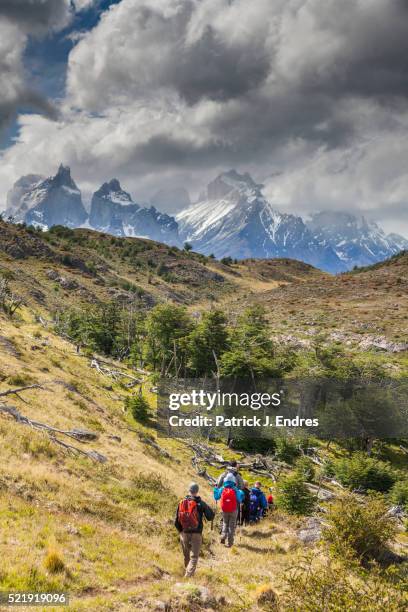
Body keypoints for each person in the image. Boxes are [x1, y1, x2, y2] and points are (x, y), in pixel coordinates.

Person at [175, 482, 215, 577]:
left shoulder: (182, 502)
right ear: (197, 491)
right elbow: (210, 517)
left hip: (184, 532)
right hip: (197, 533)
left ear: (189, 490)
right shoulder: (201, 503)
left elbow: (176, 521)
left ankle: (188, 573)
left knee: (186, 555)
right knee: (194, 557)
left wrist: (181, 531)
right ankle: (188, 576)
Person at [214, 475, 244, 547]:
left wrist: (215, 489)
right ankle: (230, 543)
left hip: (224, 509)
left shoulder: (222, 488)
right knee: (232, 526)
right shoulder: (235, 489)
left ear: (225, 481)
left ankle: (223, 536)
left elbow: (216, 497)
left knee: (225, 523)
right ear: (234, 481)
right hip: (234, 509)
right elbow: (240, 499)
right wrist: (241, 493)